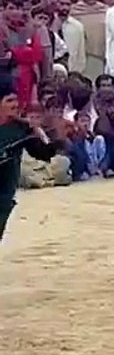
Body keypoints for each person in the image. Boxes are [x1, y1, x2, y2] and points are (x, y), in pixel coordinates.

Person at [0, 77, 62, 243]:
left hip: (4, 196)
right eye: (9, 100)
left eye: (16, 100)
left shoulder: (22, 128)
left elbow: (44, 153)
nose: (15, 104)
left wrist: (42, 130)